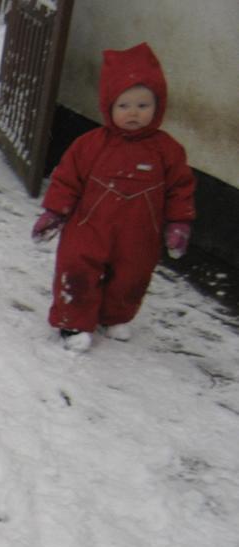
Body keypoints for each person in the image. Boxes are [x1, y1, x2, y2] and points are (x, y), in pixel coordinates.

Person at [32, 43, 196, 352]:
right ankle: (73, 322)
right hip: (88, 227)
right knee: (77, 270)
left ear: (158, 107)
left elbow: (180, 188)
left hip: (138, 233)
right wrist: (54, 213)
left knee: (131, 276)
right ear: (109, 107)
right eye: (124, 106)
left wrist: (178, 223)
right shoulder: (90, 144)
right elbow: (67, 179)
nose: (133, 112)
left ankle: (114, 315)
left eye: (143, 105)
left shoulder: (168, 150)